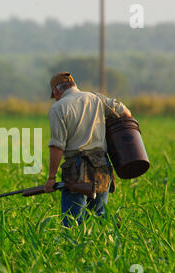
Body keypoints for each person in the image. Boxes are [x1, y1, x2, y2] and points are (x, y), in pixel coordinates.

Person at [44, 72, 132, 227]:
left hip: (77, 168)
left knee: (73, 223)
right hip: (102, 166)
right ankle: (112, 230)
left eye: (55, 95)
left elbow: (57, 146)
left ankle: (77, 249)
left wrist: (51, 177)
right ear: (73, 85)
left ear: (56, 91)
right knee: (98, 219)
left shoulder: (58, 108)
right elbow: (126, 113)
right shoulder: (96, 99)